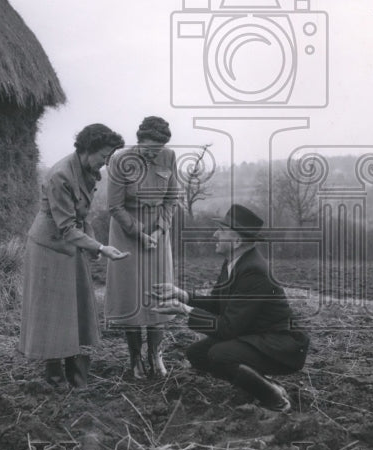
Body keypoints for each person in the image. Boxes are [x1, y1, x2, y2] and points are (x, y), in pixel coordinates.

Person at [153, 204, 309, 412]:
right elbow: (218, 304)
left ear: (236, 241)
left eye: (222, 230)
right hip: (256, 336)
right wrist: (183, 295)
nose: (215, 234)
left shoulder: (254, 271)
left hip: (282, 345)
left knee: (220, 354)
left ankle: (276, 399)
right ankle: (262, 381)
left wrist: (183, 309)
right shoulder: (234, 262)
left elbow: (228, 328)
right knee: (197, 354)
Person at [19, 123, 129, 389]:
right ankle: (56, 380)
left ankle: (78, 377)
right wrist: (100, 247)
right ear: (87, 149)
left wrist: (91, 244)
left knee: (77, 307)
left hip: (72, 244)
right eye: (104, 156)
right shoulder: (61, 175)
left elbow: (80, 218)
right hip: (49, 247)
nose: (105, 162)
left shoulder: (88, 171)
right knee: (54, 312)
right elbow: (66, 226)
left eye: (109, 157)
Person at [105, 116, 180, 378]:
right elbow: (114, 206)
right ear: (138, 143)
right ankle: (135, 358)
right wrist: (139, 233)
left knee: (158, 294)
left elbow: (171, 198)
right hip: (127, 233)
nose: (153, 154)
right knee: (132, 294)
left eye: (157, 150)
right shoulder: (119, 160)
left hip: (158, 233)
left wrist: (160, 229)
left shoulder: (169, 157)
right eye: (148, 149)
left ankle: (155, 356)